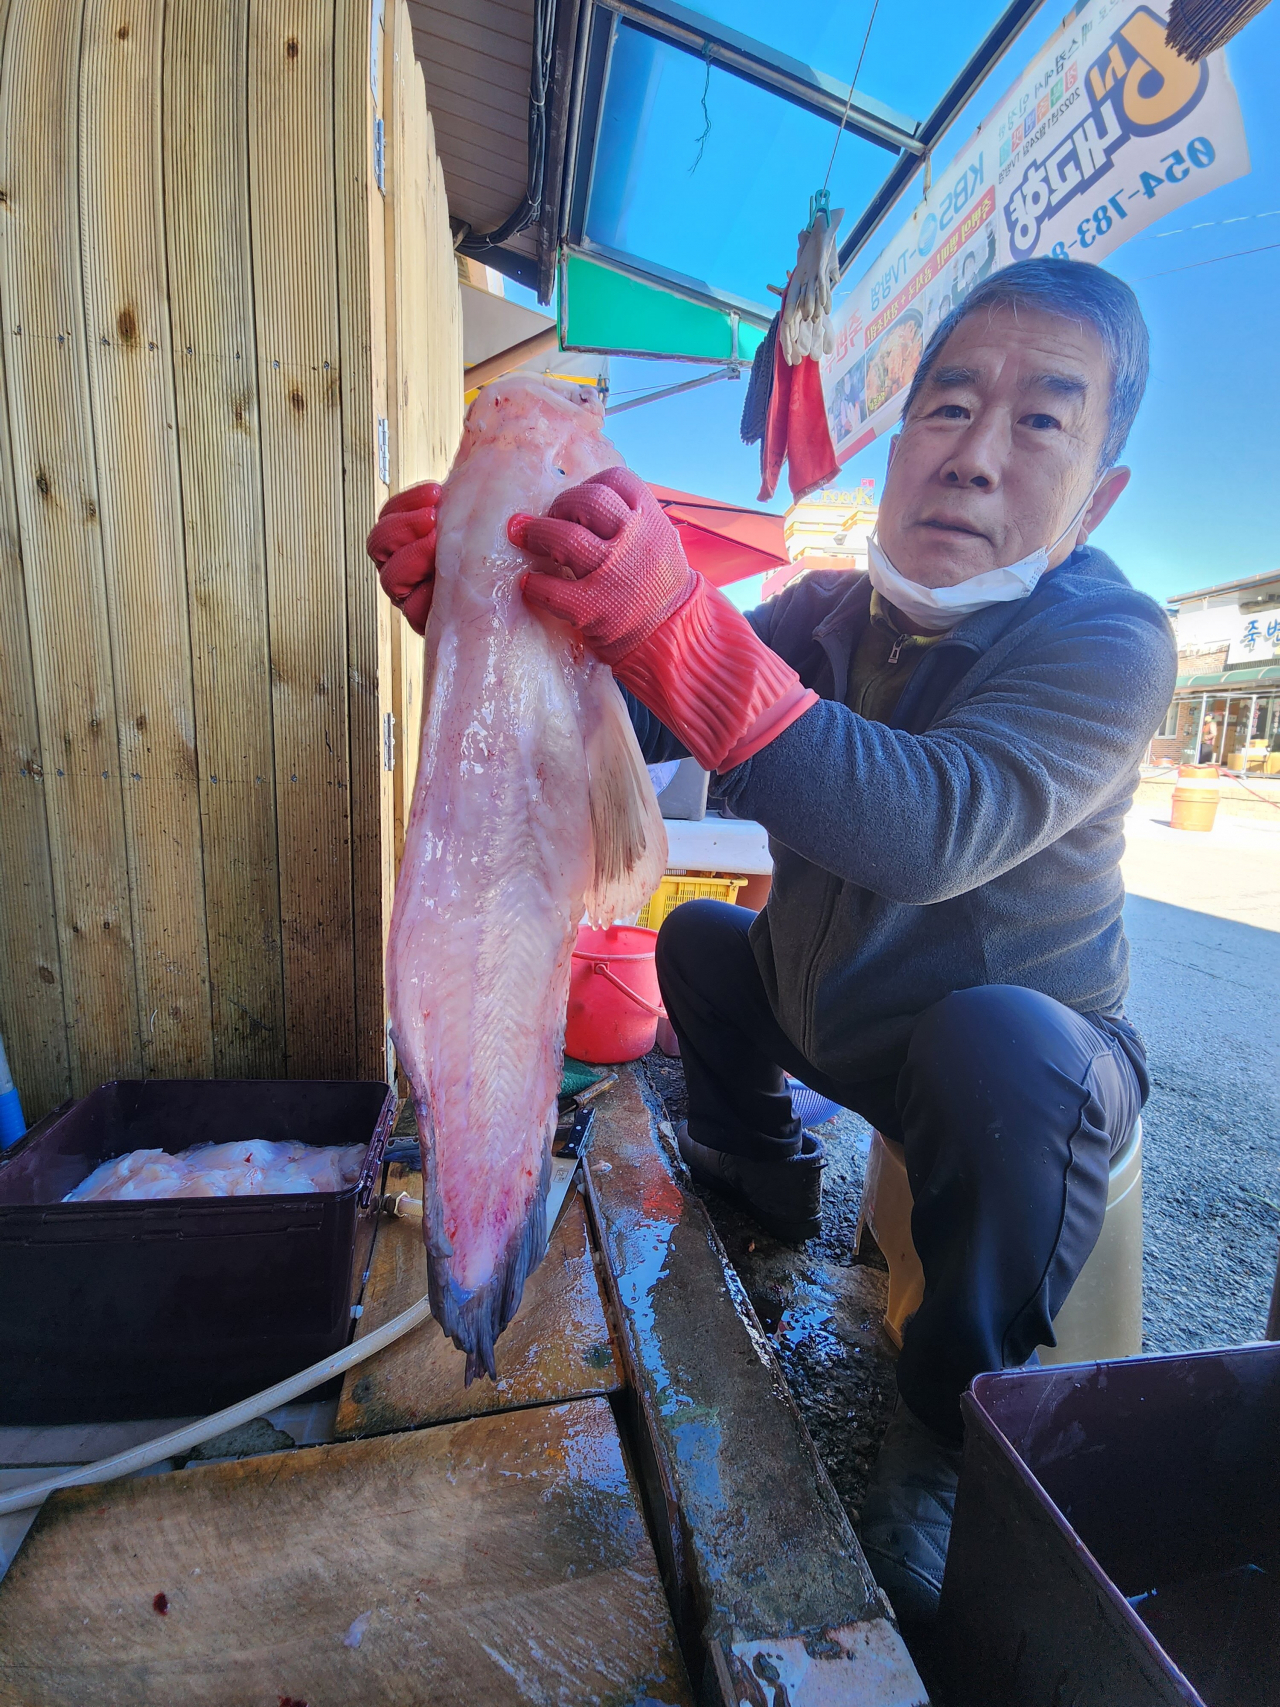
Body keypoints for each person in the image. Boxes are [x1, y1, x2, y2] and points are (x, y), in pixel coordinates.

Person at [367, 258, 1176, 1626]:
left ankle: (947, 1429)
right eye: (945, 407)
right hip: (840, 1027)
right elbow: (667, 711)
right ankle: (763, 1170)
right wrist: (490, 607)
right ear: (901, 441)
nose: (974, 457)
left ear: (1097, 494)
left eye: (1041, 420)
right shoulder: (827, 614)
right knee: (696, 948)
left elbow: (929, 826)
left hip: (1012, 1074)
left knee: (1004, 1052)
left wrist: (668, 619)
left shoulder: (1112, 642)